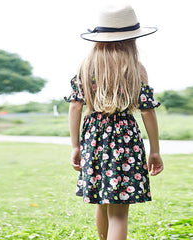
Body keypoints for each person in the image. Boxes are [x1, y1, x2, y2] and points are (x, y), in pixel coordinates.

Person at [64, 2, 164, 240]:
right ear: (132, 39)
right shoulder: (136, 69)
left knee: (102, 200)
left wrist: (76, 146)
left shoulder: (86, 66)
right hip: (125, 137)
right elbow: (147, 112)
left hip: (93, 136)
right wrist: (155, 151)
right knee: (119, 213)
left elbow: (75, 106)